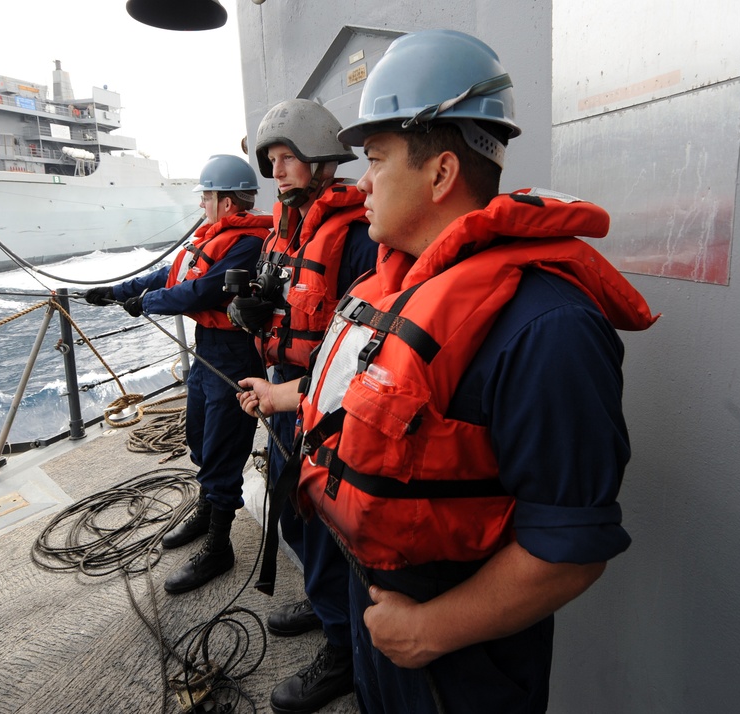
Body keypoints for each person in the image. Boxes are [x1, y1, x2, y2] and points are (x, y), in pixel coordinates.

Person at [237, 29, 657, 713]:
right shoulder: (395, 287)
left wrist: (430, 632)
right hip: (374, 598)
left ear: (440, 174)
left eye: (375, 159)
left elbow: (571, 549)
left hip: (461, 655)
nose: (362, 184)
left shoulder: (548, 328)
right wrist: (284, 398)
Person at [229, 98, 378, 714]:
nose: (278, 169)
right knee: (296, 517)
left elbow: (361, 341)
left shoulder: (356, 237)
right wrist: (251, 315)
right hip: (284, 391)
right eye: (271, 159)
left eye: (288, 156)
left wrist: (288, 392)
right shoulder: (286, 232)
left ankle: (344, 650)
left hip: (327, 400)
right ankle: (326, 611)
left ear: (321, 159)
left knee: (328, 527)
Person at [84, 154, 271, 594]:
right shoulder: (213, 236)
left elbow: (203, 289)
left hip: (235, 355)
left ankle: (219, 544)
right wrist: (117, 291)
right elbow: (171, 274)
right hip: (208, 350)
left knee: (224, 448)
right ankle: (208, 506)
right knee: (200, 437)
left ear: (226, 202)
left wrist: (147, 303)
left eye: (207, 195)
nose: (202, 202)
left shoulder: (248, 243)